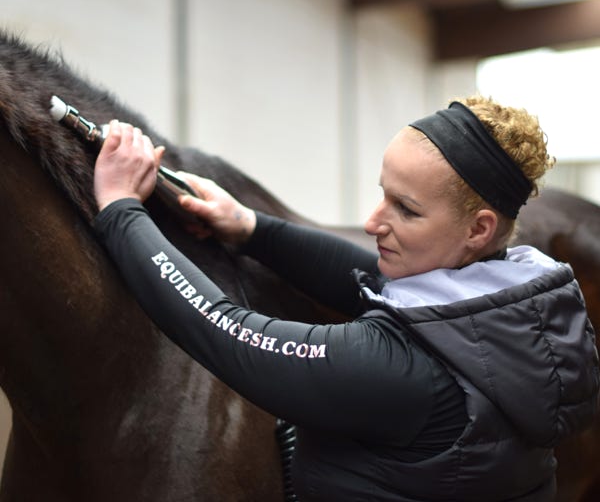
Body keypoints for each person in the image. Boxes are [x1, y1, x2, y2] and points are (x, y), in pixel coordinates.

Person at [93, 95, 599, 501]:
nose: (373, 222)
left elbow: (227, 331)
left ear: (478, 228)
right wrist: (249, 226)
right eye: (384, 194)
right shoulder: (519, 307)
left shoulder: (404, 369)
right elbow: (366, 279)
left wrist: (120, 208)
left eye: (405, 209)